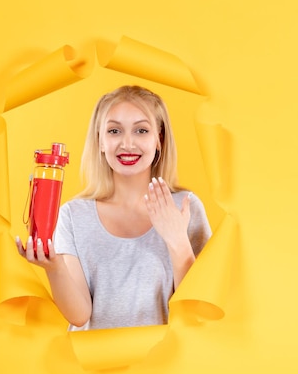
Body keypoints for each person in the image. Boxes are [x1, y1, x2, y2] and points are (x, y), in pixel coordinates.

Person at [15, 85, 212, 330]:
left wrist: (178, 242)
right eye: (114, 131)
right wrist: (54, 268)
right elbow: (79, 315)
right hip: (94, 364)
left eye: (141, 130)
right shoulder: (74, 216)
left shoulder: (185, 207)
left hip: (166, 365)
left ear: (159, 140)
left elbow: (198, 313)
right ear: (100, 141)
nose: (127, 143)